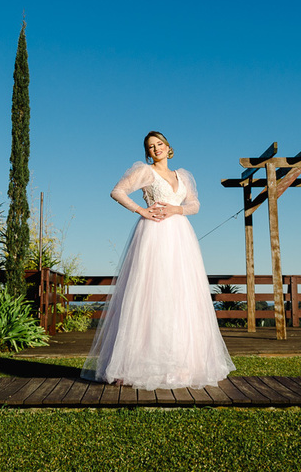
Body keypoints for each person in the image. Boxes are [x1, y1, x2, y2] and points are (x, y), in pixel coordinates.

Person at [81, 131, 235, 390]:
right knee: (152, 294)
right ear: (147, 152)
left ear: (168, 147)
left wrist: (178, 209)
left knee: (181, 295)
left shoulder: (183, 175)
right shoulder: (145, 172)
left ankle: (182, 366)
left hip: (181, 237)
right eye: (151, 147)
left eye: (159, 144)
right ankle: (141, 365)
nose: (156, 149)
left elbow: (195, 205)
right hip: (154, 235)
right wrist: (141, 209)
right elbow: (117, 191)